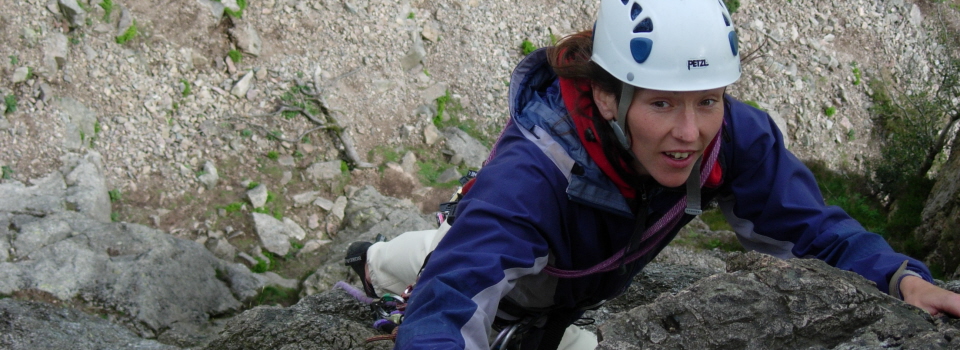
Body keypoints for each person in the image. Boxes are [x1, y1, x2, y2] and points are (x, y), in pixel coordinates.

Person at [344, 0, 960, 348]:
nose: (690, 133)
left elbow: (811, 231)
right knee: (443, 265)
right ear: (609, 99)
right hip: (522, 279)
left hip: (562, 278)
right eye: (662, 103)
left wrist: (901, 278)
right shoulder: (533, 174)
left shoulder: (734, 135)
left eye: (707, 100)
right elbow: (451, 304)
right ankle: (374, 264)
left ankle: (392, 258)